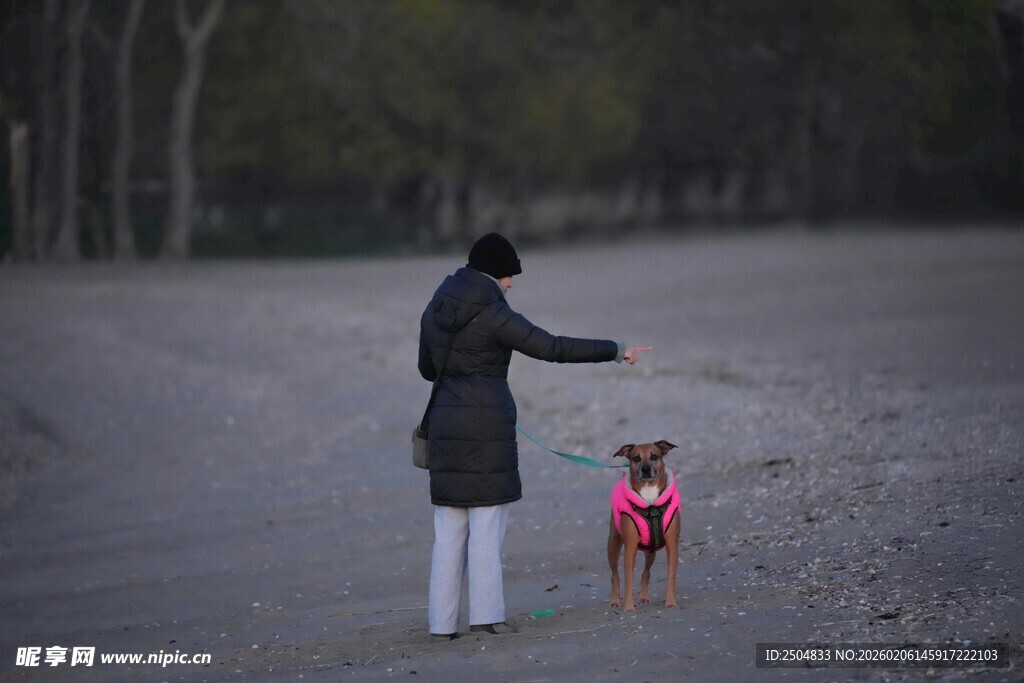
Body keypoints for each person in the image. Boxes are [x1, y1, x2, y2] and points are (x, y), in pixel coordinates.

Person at [417, 232, 652, 638]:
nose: (511, 284)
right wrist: (616, 349)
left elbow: (426, 369)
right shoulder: (493, 312)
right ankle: (487, 618)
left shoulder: (435, 305)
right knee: (487, 526)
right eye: (508, 276)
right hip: (485, 429)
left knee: (448, 528)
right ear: (494, 273)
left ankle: (441, 625)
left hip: (445, 424)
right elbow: (552, 347)